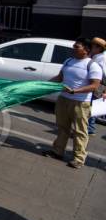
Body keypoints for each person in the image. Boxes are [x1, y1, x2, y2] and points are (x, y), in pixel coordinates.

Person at [42, 37, 103, 169]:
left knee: (80, 131)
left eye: (77, 47)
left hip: (81, 102)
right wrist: (43, 84)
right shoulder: (68, 61)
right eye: (74, 46)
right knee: (62, 127)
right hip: (63, 99)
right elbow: (60, 77)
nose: (73, 48)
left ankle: (78, 159)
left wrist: (75, 91)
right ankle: (57, 151)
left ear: (86, 50)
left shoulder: (92, 65)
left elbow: (94, 86)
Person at [88, 37, 106, 132]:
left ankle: (90, 129)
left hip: (98, 86)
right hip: (94, 84)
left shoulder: (102, 58)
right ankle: (89, 128)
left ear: (99, 48)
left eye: (93, 45)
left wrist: (105, 91)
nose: (91, 47)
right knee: (90, 107)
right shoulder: (95, 56)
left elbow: (105, 75)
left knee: (91, 108)